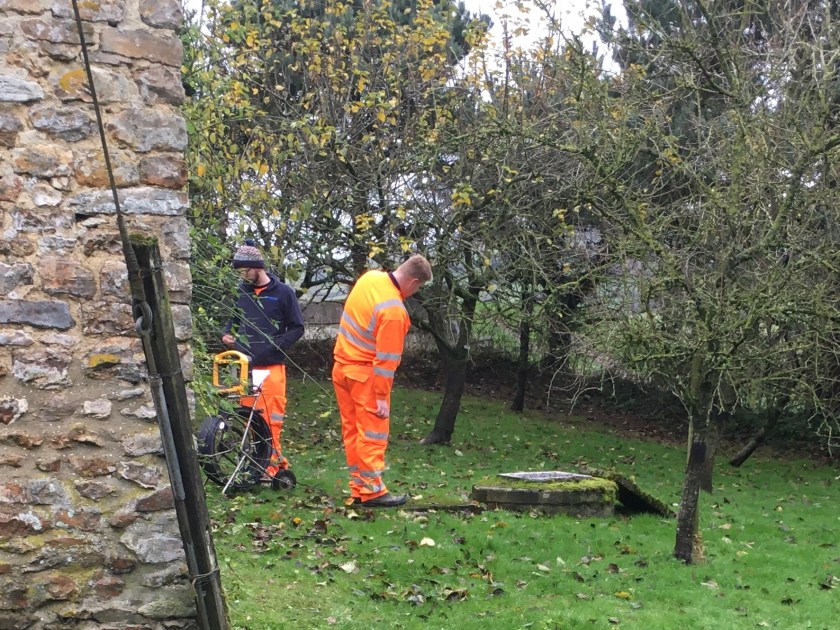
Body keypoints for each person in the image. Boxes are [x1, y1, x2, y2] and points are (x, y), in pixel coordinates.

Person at [332, 254, 432, 507]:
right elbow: (386, 362)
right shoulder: (394, 311)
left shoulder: (369, 278)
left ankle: (359, 487)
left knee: (352, 431)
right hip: (366, 376)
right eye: (418, 287)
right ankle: (373, 491)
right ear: (413, 281)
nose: (415, 292)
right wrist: (380, 397)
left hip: (342, 367)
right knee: (372, 435)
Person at [222, 239, 305, 480]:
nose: (243, 275)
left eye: (245, 270)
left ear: (258, 267)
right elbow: (231, 323)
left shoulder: (283, 294)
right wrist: (225, 335)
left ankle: (270, 468)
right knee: (249, 422)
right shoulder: (240, 293)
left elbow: (297, 328)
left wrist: (274, 346)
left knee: (271, 421)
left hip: (271, 367)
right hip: (245, 369)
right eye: (239, 271)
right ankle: (254, 467)